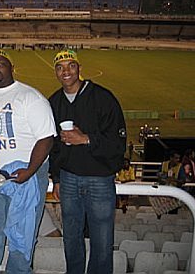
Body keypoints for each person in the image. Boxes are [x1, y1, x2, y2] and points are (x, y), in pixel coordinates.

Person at [0, 49, 56, 273]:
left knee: (22, 238)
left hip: (24, 178)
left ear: (12, 67)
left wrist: (30, 171)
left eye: (1, 63)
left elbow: (46, 138)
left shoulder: (30, 97)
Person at [49, 49, 126, 274]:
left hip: (100, 180)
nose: (66, 71)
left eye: (70, 65)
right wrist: (57, 178)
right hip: (69, 179)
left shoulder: (103, 98)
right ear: (55, 72)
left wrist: (86, 139)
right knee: (71, 239)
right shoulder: (54, 101)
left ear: (79, 68)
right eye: (60, 67)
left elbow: (118, 143)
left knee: (102, 242)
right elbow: (52, 145)